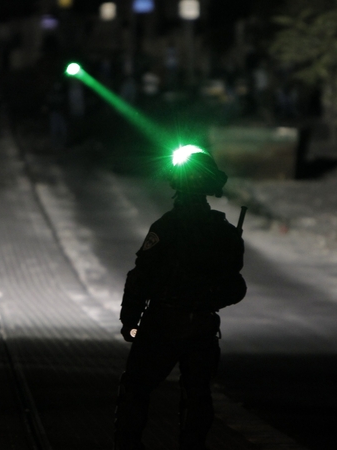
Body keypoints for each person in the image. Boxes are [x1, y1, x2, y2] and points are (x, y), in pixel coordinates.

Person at [114, 148, 247, 450]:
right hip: (202, 326)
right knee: (197, 396)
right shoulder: (224, 232)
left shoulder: (166, 227)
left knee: (135, 389)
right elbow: (236, 286)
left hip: (163, 322)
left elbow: (140, 277)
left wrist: (130, 320)